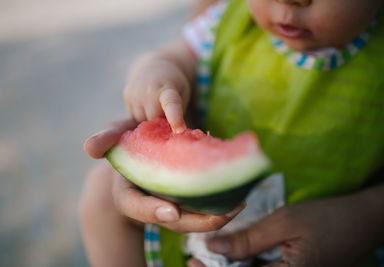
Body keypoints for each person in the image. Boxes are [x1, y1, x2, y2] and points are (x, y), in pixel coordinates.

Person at [79, 0, 384, 266]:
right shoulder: (226, 21)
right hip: (200, 220)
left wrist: (365, 217)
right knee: (101, 191)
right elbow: (169, 58)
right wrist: (152, 72)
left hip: (337, 241)